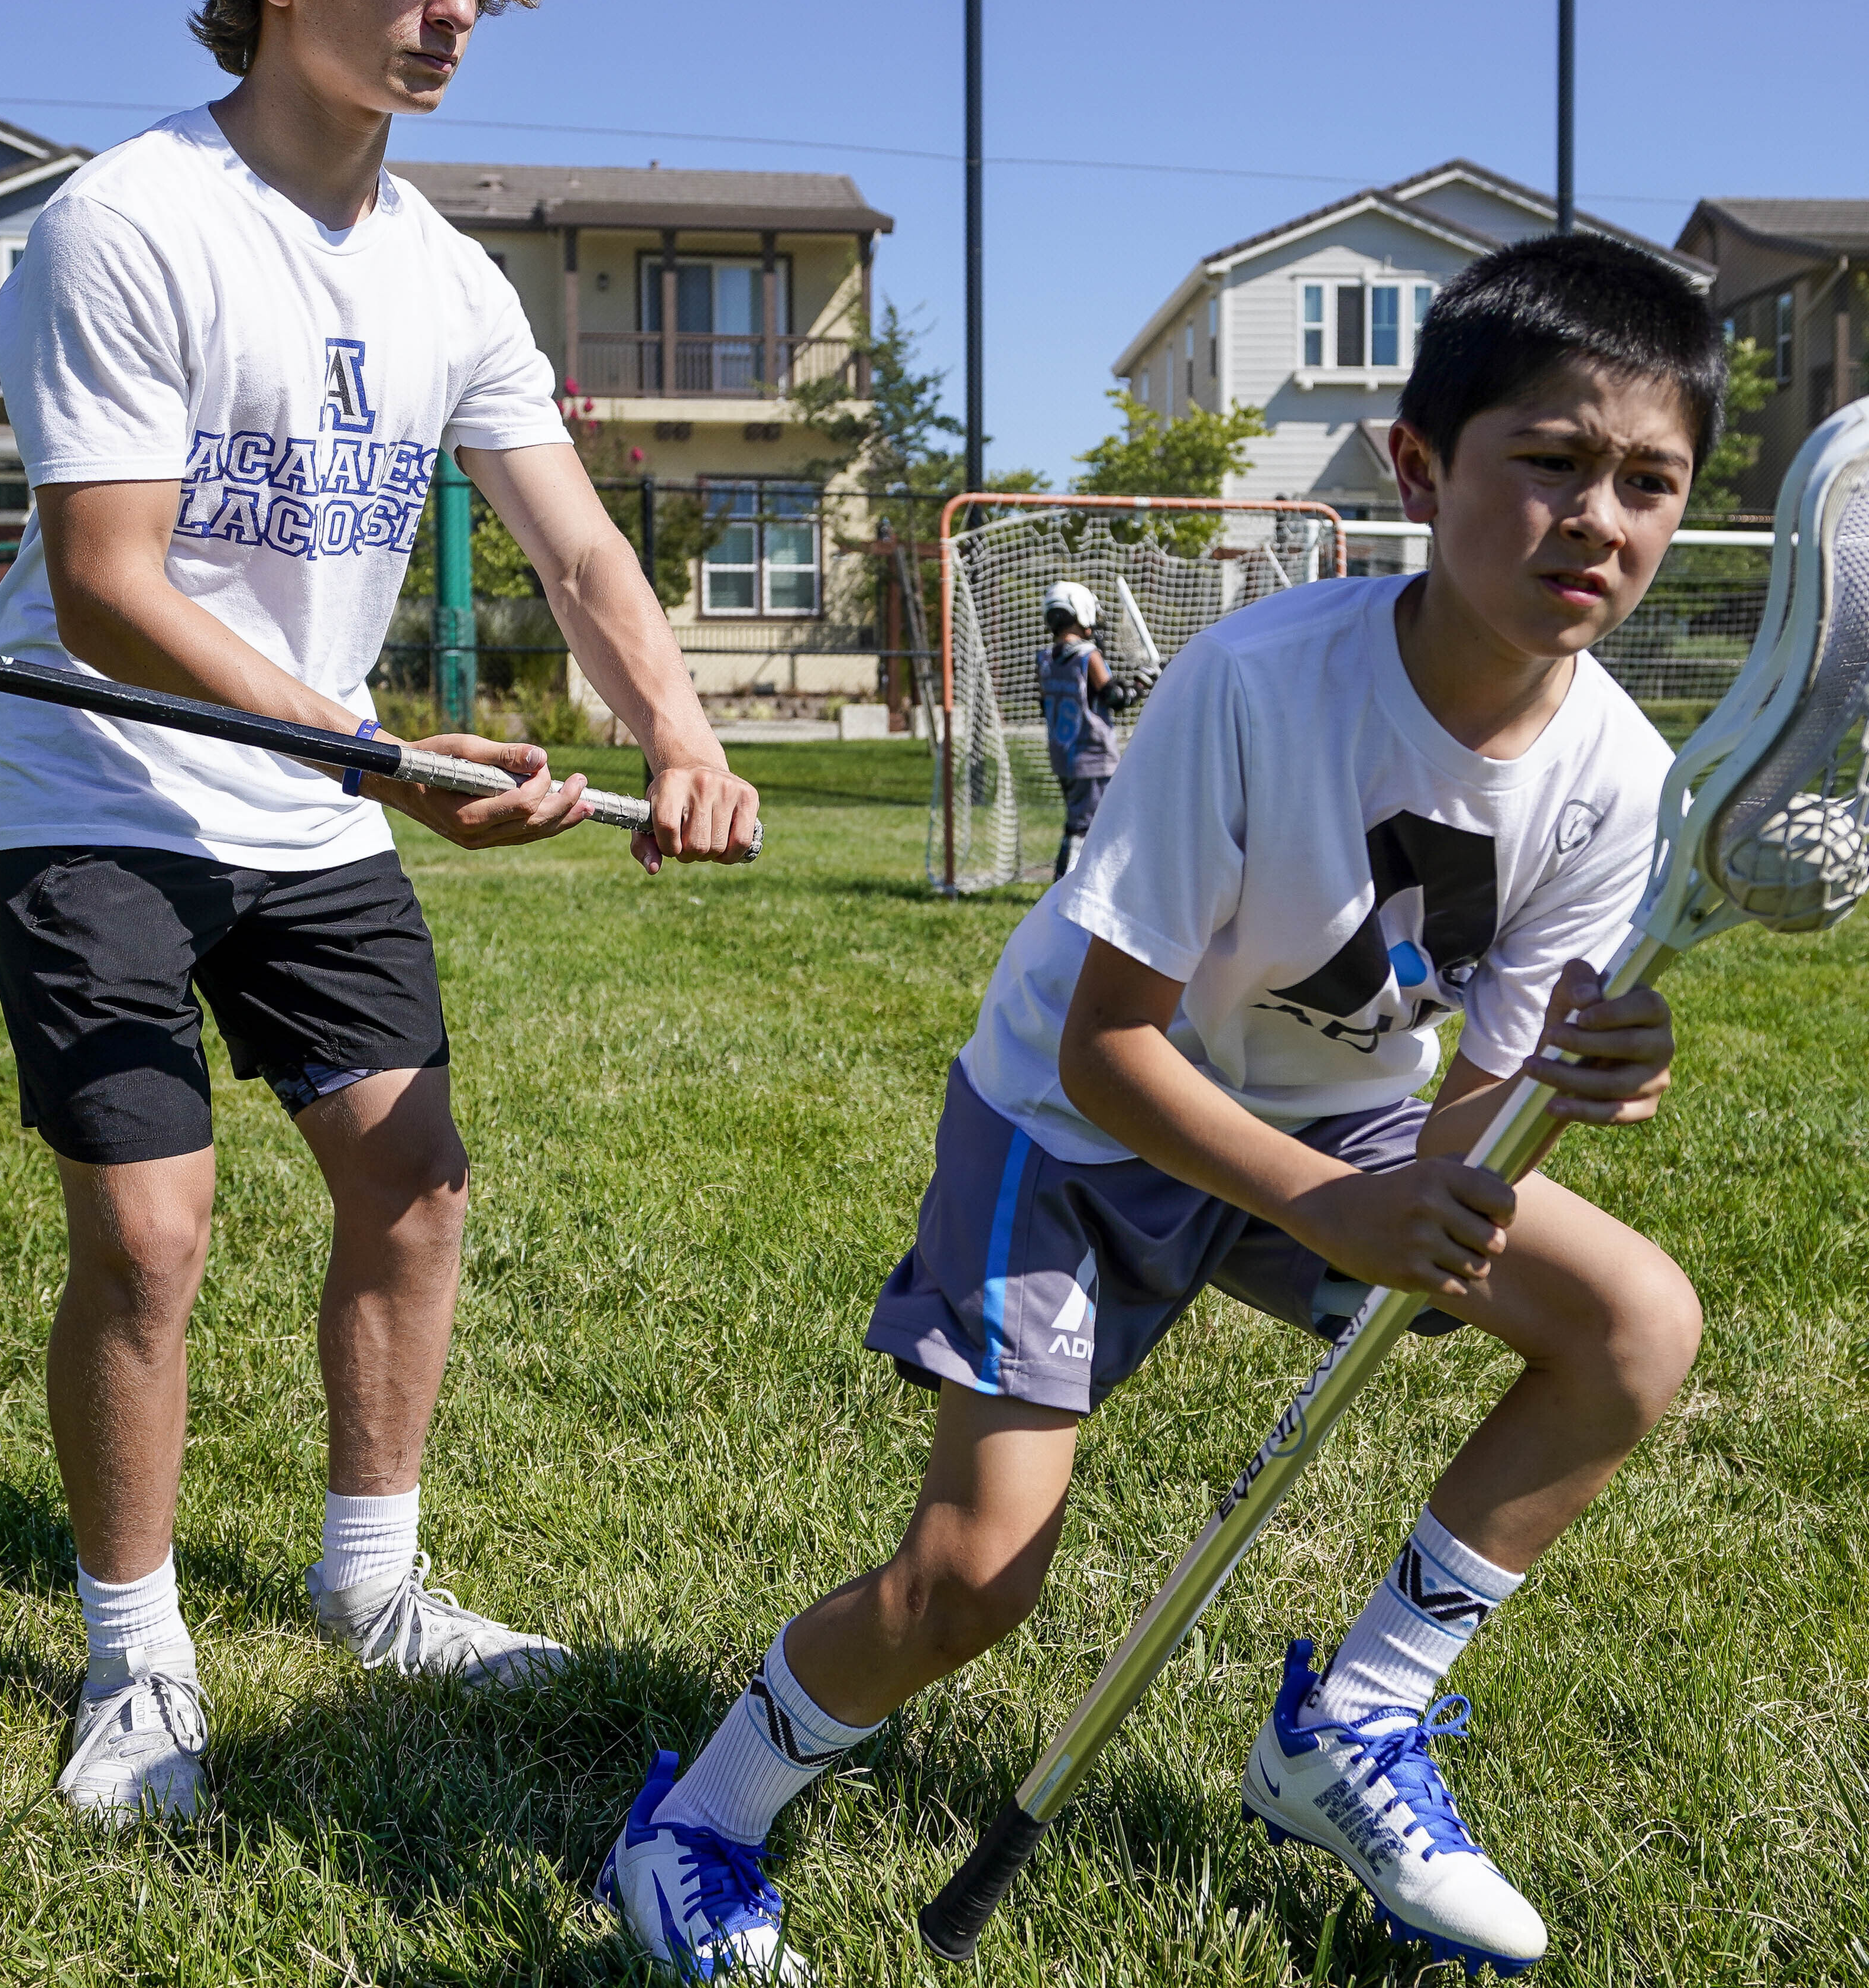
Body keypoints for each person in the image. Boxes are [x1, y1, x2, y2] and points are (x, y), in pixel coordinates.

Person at [602, 235, 1714, 1978]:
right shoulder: (1261, 686)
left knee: (1631, 1318)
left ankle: (1351, 1724)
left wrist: (1555, 1098)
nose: (1599, 518)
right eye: (1552, 461)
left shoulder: (1623, 780)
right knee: (972, 1578)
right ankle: (698, 1814)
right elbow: (1118, 1039)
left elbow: (1469, 1112)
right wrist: (1329, 1209)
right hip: (1078, 1117)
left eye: (1648, 481)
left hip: (1344, 1121)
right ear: (1421, 470)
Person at [0, 0, 760, 1827]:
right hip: (97, 781)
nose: (448, 10)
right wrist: (383, 758)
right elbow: (108, 586)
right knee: (150, 1235)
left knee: (410, 1189)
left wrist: (674, 726)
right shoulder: (126, 219)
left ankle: (373, 1579)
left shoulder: (444, 273)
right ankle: (136, 1651)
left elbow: (579, 553)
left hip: (312, 792)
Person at [1039, 580, 1126, 877]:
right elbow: (1114, 697)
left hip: (1064, 755)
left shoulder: (1047, 659)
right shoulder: (1088, 655)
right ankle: (1067, 885)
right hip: (1093, 756)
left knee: (1078, 820)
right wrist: (1143, 682)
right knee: (1085, 826)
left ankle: (1074, 880)